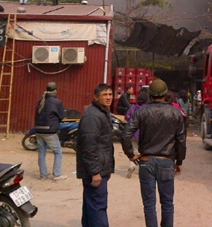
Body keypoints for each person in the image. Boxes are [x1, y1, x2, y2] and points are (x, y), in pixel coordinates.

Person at [122, 79, 186, 227]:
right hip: (166, 161)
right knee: (167, 203)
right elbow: (181, 141)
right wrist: (179, 161)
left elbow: (125, 135)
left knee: (149, 205)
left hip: (146, 161)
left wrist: (131, 155)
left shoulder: (141, 112)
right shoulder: (175, 113)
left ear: (149, 94)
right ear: (166, 94)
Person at [76, 83, 115, 227]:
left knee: (91, 206)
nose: (108, 97)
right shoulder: (93, 116)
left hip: (100, 167)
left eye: (110, 94)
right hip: (95, 170)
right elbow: (89, 146)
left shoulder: (102, 113)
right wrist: (95, 172)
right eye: (105, 95)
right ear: (96, 97)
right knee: (98, 206)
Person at [35, 81, 66, 181]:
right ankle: (57, 175)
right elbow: (62, 116)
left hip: (39, 129)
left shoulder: (41, 101)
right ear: (55, 90)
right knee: (58, 152)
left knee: (42, 152)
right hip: (50, 131)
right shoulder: (57, 102)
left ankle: (43, 175)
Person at [124, 91, 149, 178]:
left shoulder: (132, 107)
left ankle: (131, 166)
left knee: (134, 152)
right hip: (144, 134)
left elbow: (127, 117)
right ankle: (142, 169)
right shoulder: (147, 109)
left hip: (134, 133)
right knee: (143, 152)